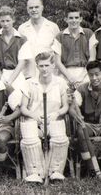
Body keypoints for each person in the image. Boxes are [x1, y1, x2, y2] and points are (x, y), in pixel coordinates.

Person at [20, 51, 69, 183]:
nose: (44, 69)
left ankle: (56, 171)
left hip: (54, 120)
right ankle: (35, 173)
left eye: (47, 65)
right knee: (29, 136)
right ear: (37, 66)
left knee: (60, 136)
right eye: (41, 66)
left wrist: (57, 114)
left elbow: (65, 106)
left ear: (53, 65)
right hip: (35, 121)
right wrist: (33, 115)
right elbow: (23, 107)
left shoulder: (60, 82)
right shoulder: (29, 83)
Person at [0, 6, 33, 90]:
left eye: (8, 20)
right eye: (2, 21)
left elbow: (21, 63)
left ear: (13, 20)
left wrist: (10, 81)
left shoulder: (22, 39)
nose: (5, 24)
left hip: (16, 73)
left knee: (17, 97)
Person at [18, 0, 60, 79]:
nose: (34, 10)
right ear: (27, 9)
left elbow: (58, 52)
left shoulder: (53, 27)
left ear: (42, 8)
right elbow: (20, 54)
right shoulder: (22, 29)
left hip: (49, 73)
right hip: (29, 74)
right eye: (31, 8)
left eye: (36, 7)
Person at [51, 6, 93, 86]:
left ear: (81, 19)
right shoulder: (59, 36)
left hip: (86, 72)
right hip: (66, 73)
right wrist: (70, 78)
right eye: (71, 18)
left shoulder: (88, 33)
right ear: (66, 19)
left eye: (76, 18)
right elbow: (57, 62)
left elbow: (92, 58)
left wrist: (81, 77)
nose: (74, 21)